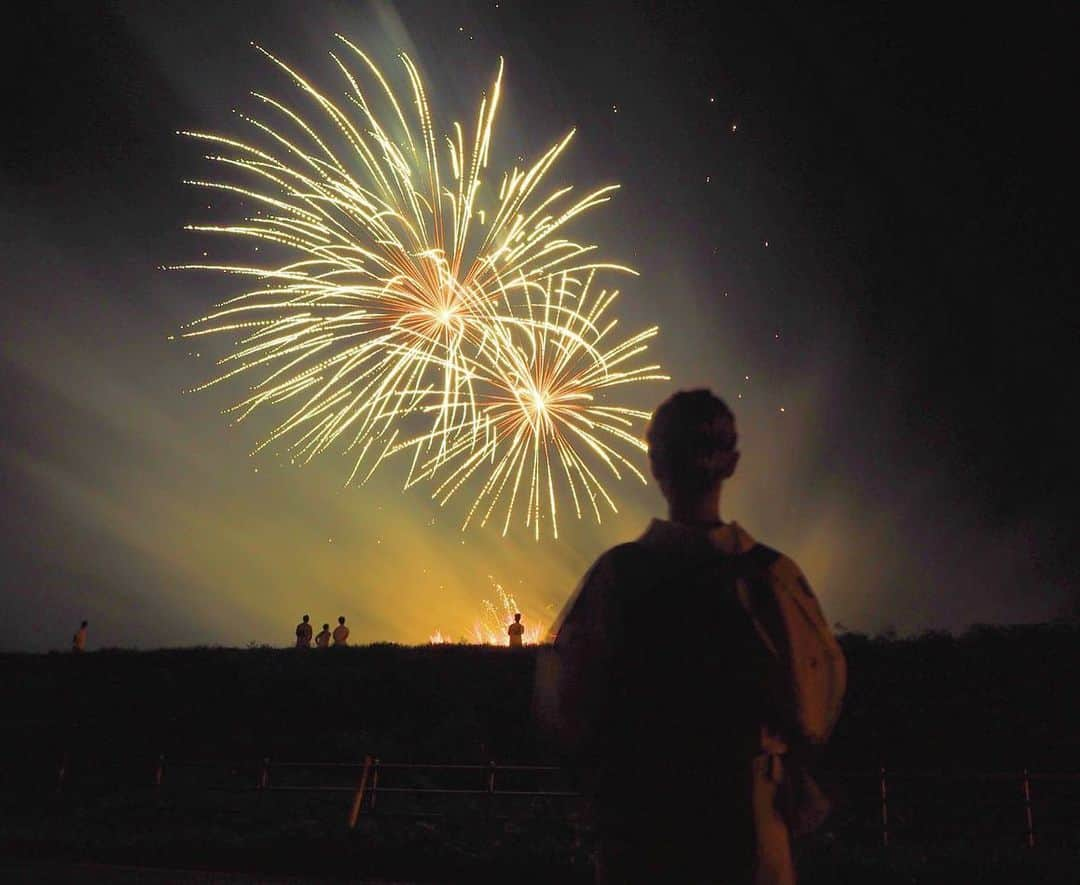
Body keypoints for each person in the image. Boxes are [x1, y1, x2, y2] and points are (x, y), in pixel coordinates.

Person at [535, 389, 846, 884]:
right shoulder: (773, 580)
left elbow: (569, 704)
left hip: (643, 831)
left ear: (656, 464)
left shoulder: (617, 577)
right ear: (732, 463)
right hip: (748, 829)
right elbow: (815, 702)